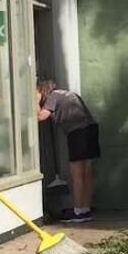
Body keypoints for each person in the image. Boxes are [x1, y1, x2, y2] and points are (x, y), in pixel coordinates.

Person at [37, 80, 99, 223]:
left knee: (76, 173)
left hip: (78, 132)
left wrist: (35, 99)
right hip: (91, 129)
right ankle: (85, 209)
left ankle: (78, 212)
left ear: (43, 91)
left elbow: (40, 116)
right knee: (86, 172)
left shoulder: (52, 96)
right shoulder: (67, 94)